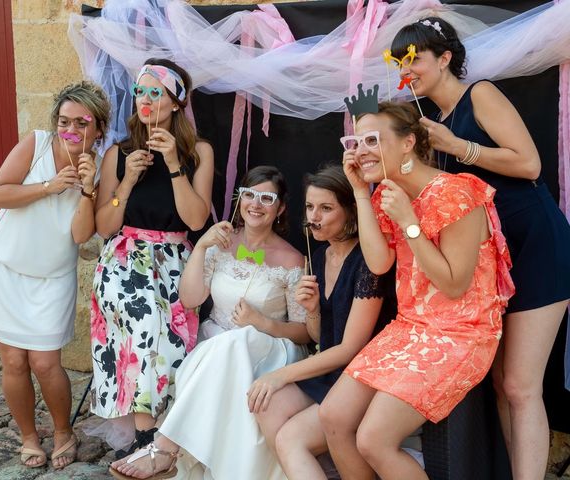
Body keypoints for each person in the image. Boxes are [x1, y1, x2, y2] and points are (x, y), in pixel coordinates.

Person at [389, 17, 570, 479]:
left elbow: (529, 164)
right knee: (497, 382)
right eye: (399, 64)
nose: (407, 73)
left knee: (519, 384)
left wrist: (460, 146)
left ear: (446, 58)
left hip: (533, 245)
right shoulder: (432, 128)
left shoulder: (480, 96)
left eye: (415, 61)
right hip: (488, 263)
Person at [320, 102, 514, 480]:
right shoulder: (382, 196)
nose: (360, 151)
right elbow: (378, 264)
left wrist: (409, 222)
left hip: (462, 332)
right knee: (333, 416)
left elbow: (455, 284)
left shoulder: (456, 193)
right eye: (355, 142)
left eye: (372, 140)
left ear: (408, 142)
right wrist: (361, 194)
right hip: (411, 327)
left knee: (373, 438)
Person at [109, 165, 310, 480]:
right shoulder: (219, 245)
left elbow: (304, 333)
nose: (256, 204)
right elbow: (190, 299)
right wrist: (202, 245)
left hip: (270, 351)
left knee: (237, 339)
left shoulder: (293, 260)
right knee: (226, 344)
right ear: (239, 199)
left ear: (281, 207)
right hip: (215, 346)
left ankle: (164, 446)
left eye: (267, 198)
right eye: (249, 195)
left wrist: (260, 323)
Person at [0, 80, 110, 469]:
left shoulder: (101, 165)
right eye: (65, 121)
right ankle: (29, 436)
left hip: (52, 278)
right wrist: (48, 187)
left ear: (98, 128)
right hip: (4, 270)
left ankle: (63, 431)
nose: (72, 131)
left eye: (82, 123)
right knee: (13, 362)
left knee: (45, 363)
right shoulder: (37, 144)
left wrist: (88, 188)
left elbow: (81, 236)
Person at [90, 58, 214, 461]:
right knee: (146, 326)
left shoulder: (199, 152)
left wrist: (175, 164)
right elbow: (105, 225)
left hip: (176, 262)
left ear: (176, 102)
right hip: (124, 262)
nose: (144, 100)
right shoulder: (118, 153)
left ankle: (167, 434)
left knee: (171, 343)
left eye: (155, 92)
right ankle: (147, 442)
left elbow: (196, 220)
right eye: (140, 91)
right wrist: (125, 181)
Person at [243, 165, 394, 479]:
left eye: (326, 208)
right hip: (329, 370)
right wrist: (312, 310)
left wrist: (279, 375)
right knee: (266, 405)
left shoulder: (368, 261)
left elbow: (350, 348)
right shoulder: (320, 256)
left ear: (351, 213)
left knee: (290, 438)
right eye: (310, 207)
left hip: (361, 376)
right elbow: (317, 336)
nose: (314, 216)